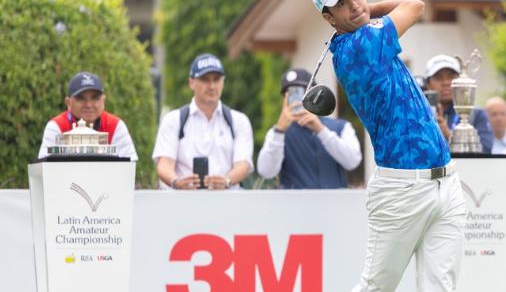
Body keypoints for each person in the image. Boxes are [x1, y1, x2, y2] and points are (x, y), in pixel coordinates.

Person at [306, 0, 467, 292]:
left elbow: (406, 7)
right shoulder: (356, 49)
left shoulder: (364, 31)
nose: (356, 3)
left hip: (446, 184)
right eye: (343, 1)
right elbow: (415, 4)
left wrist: (359, 12)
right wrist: (367, 15)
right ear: (327, 17)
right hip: (400, 190)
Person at [152, 53, 254, 190]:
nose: (212, 86)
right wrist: (177, 183)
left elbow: (244, 164)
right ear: (191, 83)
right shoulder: (173, 120)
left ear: (223, 81)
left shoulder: (239, 121)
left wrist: (226, 181)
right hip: (184, 204)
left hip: (227, 204)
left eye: (216, 79)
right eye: (205, 79)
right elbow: (164, 163)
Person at [256, 67, 362, 188]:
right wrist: (279, 131)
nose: (298, 99)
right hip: (294, 206)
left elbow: (353, 161)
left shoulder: (341, 127)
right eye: (290, 94)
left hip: (334, 205)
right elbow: (266, 172)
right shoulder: (277, 133)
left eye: (302, 92)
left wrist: (321, 130)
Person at [38, 71, 138, 160]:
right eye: (81, 98)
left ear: (103, 101)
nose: (88, 105)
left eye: (95, 98)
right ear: (68, 103)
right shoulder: (56, 126)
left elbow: (128, 166)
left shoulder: (116, 125)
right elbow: (45, 167)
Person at [424, 54, 494, 154]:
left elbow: (485, 150)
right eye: (438, 77)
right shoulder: (419, 116)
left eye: (451, 76)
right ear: (427, 84)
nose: (446, 82)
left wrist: (449, 137)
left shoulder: (477, 115)